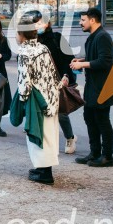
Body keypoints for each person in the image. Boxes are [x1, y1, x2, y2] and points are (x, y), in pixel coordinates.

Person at [70, 7, 113, 168]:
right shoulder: (94, 36)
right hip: (94, 86)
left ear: (92, 20)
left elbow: (105, 61)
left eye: (83, 20)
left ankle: (107, 156)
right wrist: (82, 59)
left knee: (102, 120)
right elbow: (96, 57)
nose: (80, 23)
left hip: (104, 87)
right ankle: (94, 152)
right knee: (89, 117)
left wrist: (82, 64)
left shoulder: (102, 36)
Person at [15, 16, 61, 185]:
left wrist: (22, 100)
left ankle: (45, 174)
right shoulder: (43, 48)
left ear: (21, 34)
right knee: (49, 134)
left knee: (38, 136)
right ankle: (43, 169)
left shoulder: (24, 52)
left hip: (37, 100)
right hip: (51, 97)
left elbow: (24, 83)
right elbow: (52, 73)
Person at [30, 11, 78, 154]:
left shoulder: (57, 38)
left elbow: (69, 58)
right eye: (35, 23)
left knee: (60, 112)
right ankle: (47, 140)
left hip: (58, 79)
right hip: (40, 82)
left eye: (40, 22)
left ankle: (70, 137)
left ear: (47, 23)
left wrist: (66, 76)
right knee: (43, 111)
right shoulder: (32, 40)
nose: (38, 26)